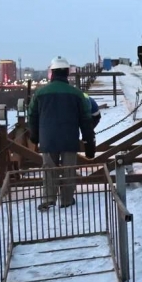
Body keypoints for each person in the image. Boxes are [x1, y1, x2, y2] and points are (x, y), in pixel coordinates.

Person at [28, 56, 96, 211]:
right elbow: (85, 120)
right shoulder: (77, 94)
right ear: (67, 73)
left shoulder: (40, 93)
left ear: (52, 72)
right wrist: (89, 142)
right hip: (69, 138)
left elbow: (32, 115)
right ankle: (66, 200)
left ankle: (48, 199)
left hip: (48, 139)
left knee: (49, 169)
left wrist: (35, 136)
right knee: (69, 169)